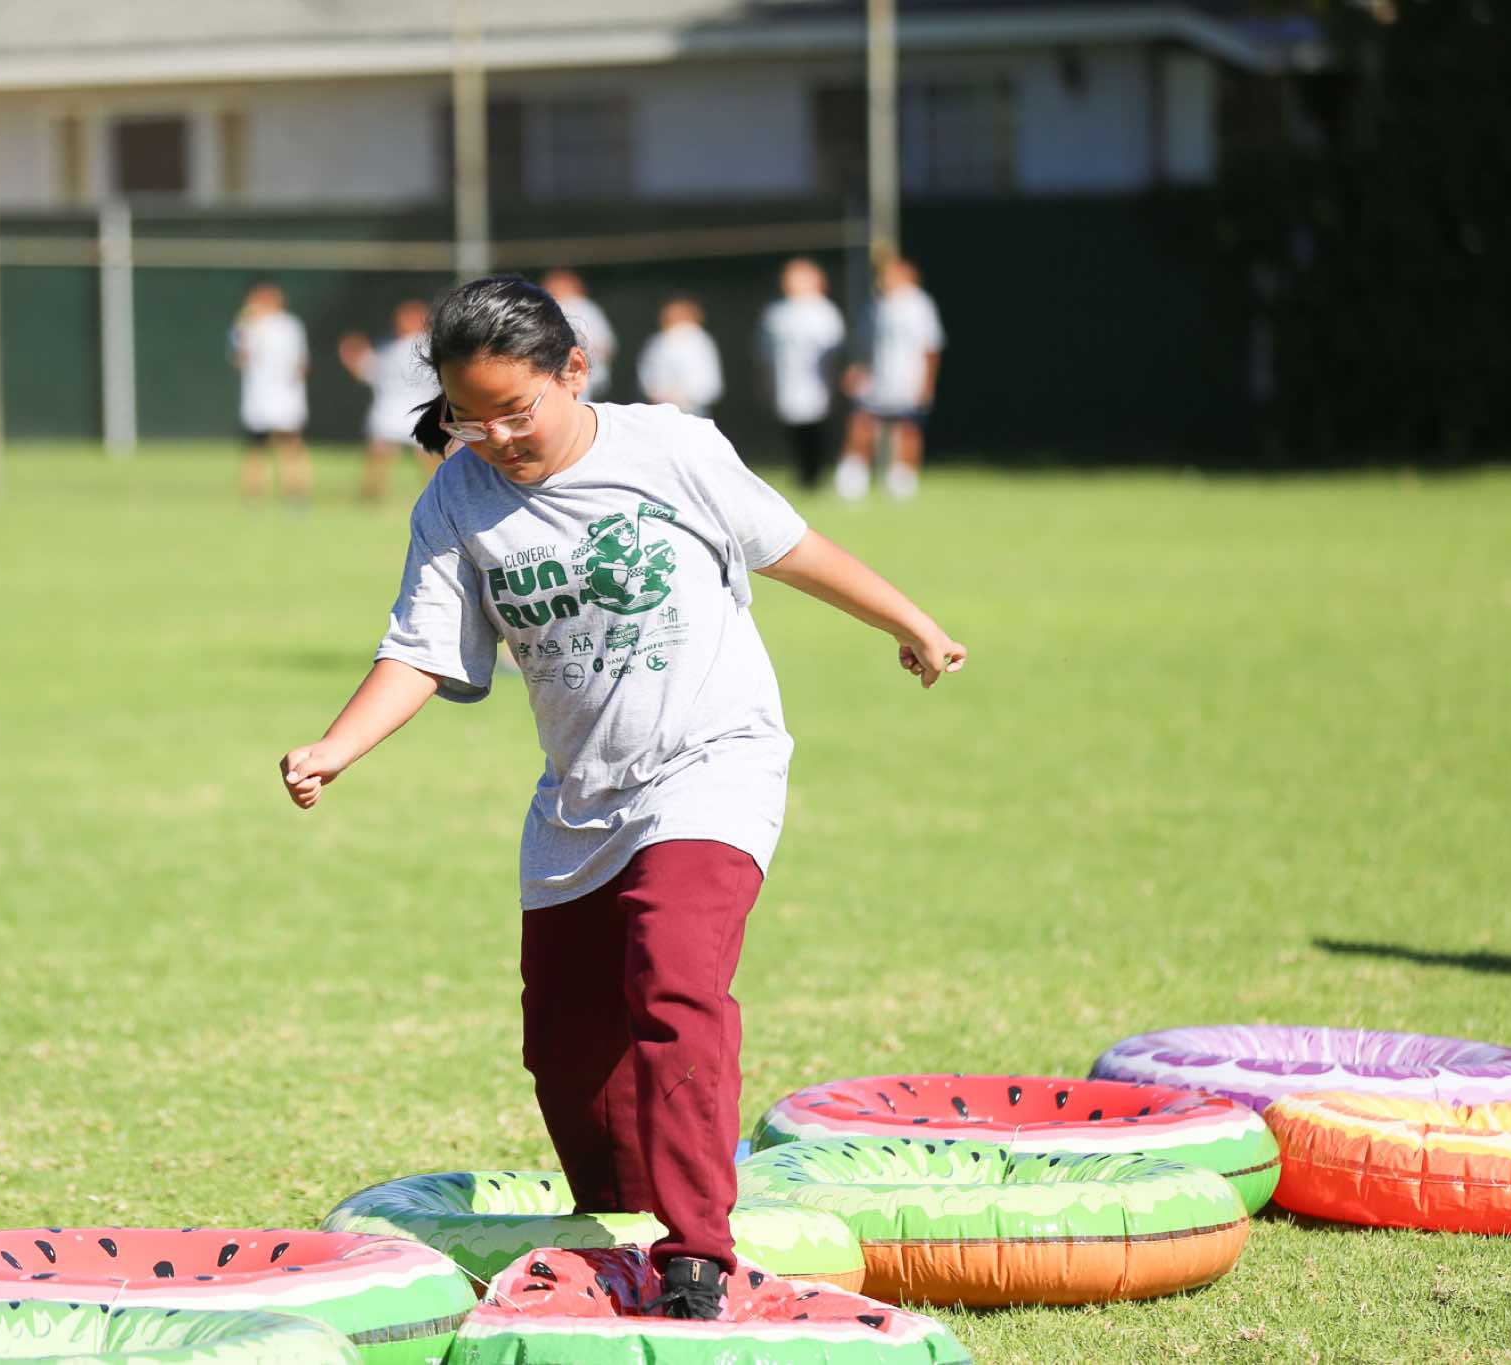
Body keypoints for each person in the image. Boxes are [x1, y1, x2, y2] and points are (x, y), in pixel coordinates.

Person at [277, 276, 966, 1320]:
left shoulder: (670, 449)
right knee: (563, 1043)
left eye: (517, 411)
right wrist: (337, 745)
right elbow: (419, 650)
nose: (498, 438)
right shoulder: (456, 498)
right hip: (581, 798)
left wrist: (909, 621)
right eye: (471, 418)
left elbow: (790, 548)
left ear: (573, 370)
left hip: (712, 764)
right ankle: (627, 1218)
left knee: (674, 983)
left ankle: (695, 1254)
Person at [839, 255, 944, 502]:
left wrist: (926, 384)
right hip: (876, 381)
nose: (884, 280)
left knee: (907, 429)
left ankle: (902, 482)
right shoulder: (875, 306)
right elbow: (865, 346)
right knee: (862, 425)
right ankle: (852, 481)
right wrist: (857, 370)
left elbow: (931, 347)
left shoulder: (919, 305)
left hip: (908, 380)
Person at [338, 297, 440, 502]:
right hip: (389, 411)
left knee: (430, 462)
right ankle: (370, 499)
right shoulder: (390, 346)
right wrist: (353, 357)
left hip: (420, 411)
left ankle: (441, 497)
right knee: (378, 459)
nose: (402, 321)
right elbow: (371, 373)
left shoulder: (430, 348)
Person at [758, 257, 845, 490]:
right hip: (787, 381)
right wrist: (766, 380)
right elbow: (765, 353)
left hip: (817, 383)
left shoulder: (824, 312)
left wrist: (833, 380)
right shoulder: (777, 314)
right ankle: (803, 474)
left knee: (817, 429)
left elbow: (834, 353)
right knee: (793, 429)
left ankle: (817, 474)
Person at [229, 281, 312, 503]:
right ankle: (253, 497)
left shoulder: (290, 326)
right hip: (258, 398)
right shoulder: (246, 326)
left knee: (291, 447)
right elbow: (239, 359)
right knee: (255, 448)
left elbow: (301, 363)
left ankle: (296, 495)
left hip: (285, 397)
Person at [636, 296, 724, 417]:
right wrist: (656, 392)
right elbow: (646, 374)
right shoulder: (657, 341)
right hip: (657, 410)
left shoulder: (700, 341)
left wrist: (683, 395)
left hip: (691, 411)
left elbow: (708, 383)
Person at [542, 268, 617, 400]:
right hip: (554, 374)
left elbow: (606, 345)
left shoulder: (585, 307)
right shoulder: (546, 308)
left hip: (584, 374)